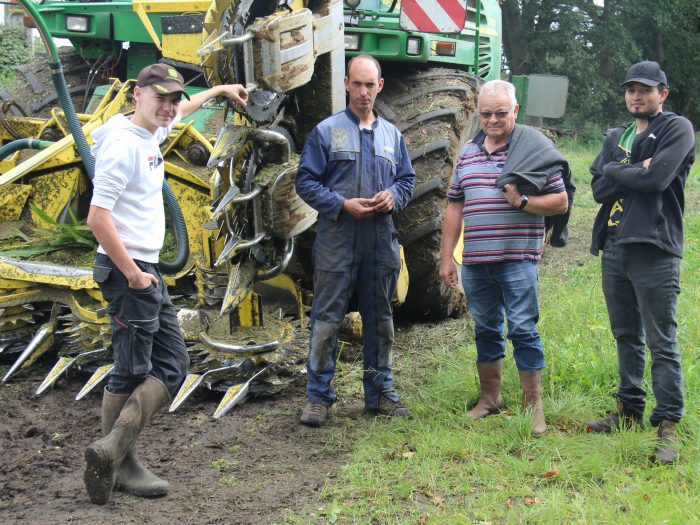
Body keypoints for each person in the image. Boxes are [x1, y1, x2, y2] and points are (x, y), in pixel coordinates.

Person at [84, 63, 248, 504]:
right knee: (131, 367)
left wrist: (218, 89)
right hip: (128, 271)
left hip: (145, 270)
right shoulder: (123, 147)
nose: (171, 107)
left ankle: (112, 451)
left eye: (174, 99)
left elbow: (183, 108)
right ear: (137, 94)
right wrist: (135, 274)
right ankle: (119, 463)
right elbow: (97, 218)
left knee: (173, 361)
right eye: (161, 98)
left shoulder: (148, 129)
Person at [439, 79, 568, 437]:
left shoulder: (532, 150)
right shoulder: (467, 152)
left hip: (517, 260)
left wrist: (522, 202)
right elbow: (454, 205)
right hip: (477, 262)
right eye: (485, 114)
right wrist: (447, 257)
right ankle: (490, 398)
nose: (493, 120)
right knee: (486, 329)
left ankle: (533, 406)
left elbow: (560, 201)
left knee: (524, 330)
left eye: (500, 113)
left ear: (516, 111)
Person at [295, 54, 415, 427]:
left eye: (370, 85)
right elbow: (305, 182)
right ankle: (318, 397)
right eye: (357, 84)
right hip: (337, 240)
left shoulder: (392, 136)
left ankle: (380, 394)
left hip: (381, 241)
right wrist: (340, 204)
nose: (364, 92)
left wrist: (394, 196)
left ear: (380, 86)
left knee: (380, 319)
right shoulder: (327, 131)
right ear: (346, 84)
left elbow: (407, 180)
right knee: (327, 318)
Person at [585, 61, 695, 464]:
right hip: (614, 245)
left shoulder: (676, 129)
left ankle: (667, 425)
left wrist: (619, 169)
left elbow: (657, 181)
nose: (636, 96)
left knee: (661, 340)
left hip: (654, 247)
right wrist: (631, 167)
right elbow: (598, 188)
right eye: (631, 89)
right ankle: (629, 410)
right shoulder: (619, 135)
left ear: (662, 94)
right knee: (625, 334)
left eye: (645, 90)